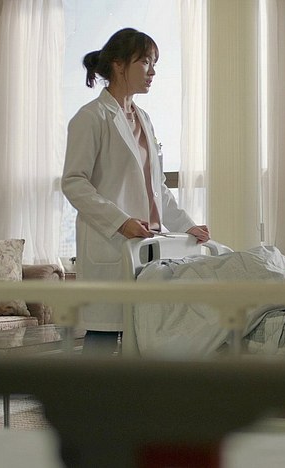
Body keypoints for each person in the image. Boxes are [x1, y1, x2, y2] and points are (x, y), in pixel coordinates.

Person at [62, 28, 209, 354]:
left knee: (142, 337)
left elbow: (157, 188)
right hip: (111, 244)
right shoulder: (91, 118)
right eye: (145, 62)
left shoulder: (144, 119)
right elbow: (74, 182)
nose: (152, 71)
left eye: (154, 63)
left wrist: (187, 226)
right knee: (102, 336)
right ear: (118, 64)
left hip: (148, 247)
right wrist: (120, 222)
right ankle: (87, 390)